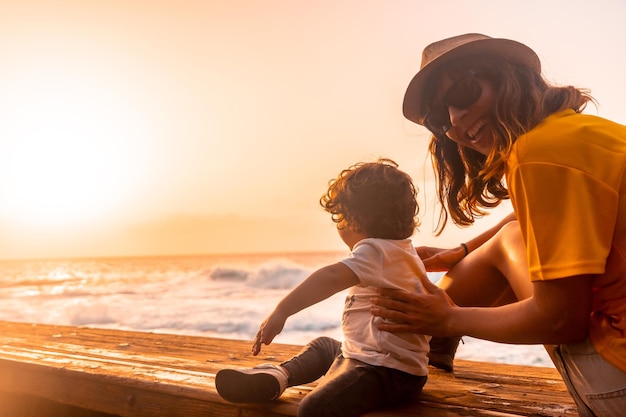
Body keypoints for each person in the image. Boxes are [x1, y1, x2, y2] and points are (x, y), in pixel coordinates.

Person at [370, 33, 626, 417]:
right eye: (440, 118)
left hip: (618, 383)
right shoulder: (587, 134)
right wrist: (462, 250)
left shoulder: (536, 154)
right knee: (512, 235)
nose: (455, 121)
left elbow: (561, 319)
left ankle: (404, 354)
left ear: (507, 77)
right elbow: (527, 222)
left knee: (510, 244)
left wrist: (451, 317)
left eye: (464, 91)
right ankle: (421, 348)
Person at [215, 158, 430, 417]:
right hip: (376, 362)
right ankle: (278, 376)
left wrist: (282, 311)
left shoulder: (376, 250)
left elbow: (329, 277)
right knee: (325, 346)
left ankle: (284, 376)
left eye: (340, 217)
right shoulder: (400, 251)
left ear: (356, 220)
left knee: (313, 408)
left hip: (385, 372)